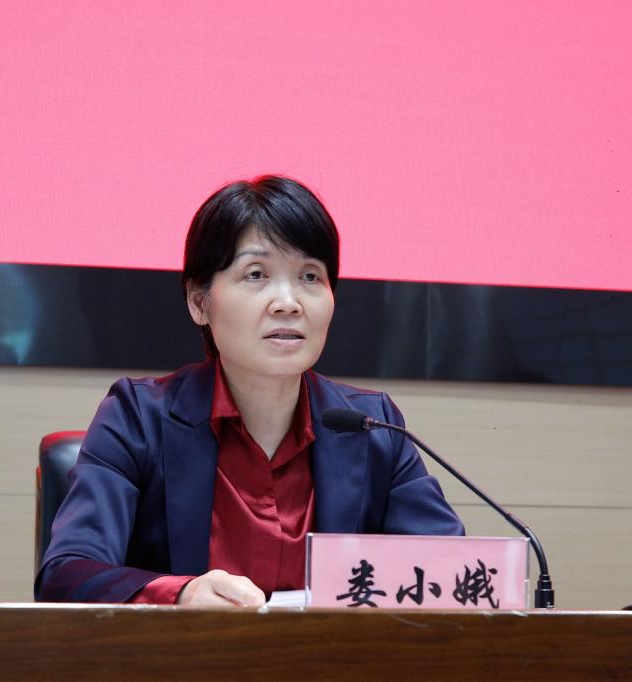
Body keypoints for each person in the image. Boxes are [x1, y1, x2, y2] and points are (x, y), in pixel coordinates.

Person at [35, 175, 463, 606]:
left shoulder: (375, 429)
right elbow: (67, 574)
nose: (288, 303)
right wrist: (180, 595)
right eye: (256, 274)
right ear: (199, 302)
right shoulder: (136, 418)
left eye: (310, 276)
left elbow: (451, 574)